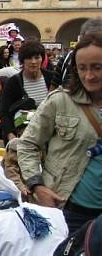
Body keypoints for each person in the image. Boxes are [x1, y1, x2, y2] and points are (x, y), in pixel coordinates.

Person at [18, 32, 102, 233]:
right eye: (82, 68)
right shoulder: (60, 101)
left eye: (97, 68)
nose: (89, 75)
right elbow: (27, 144)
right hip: (66, 208)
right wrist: (38, 186)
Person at [0, 40, 56, 140]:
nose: (33, 62)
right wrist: (10, 135)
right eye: (29, 58)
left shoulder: (52, 78)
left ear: (42, 59)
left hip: (49, 135)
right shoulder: (13, 82)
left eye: (37, 57)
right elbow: (4, 113)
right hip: (22, 136)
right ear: (22, 60)